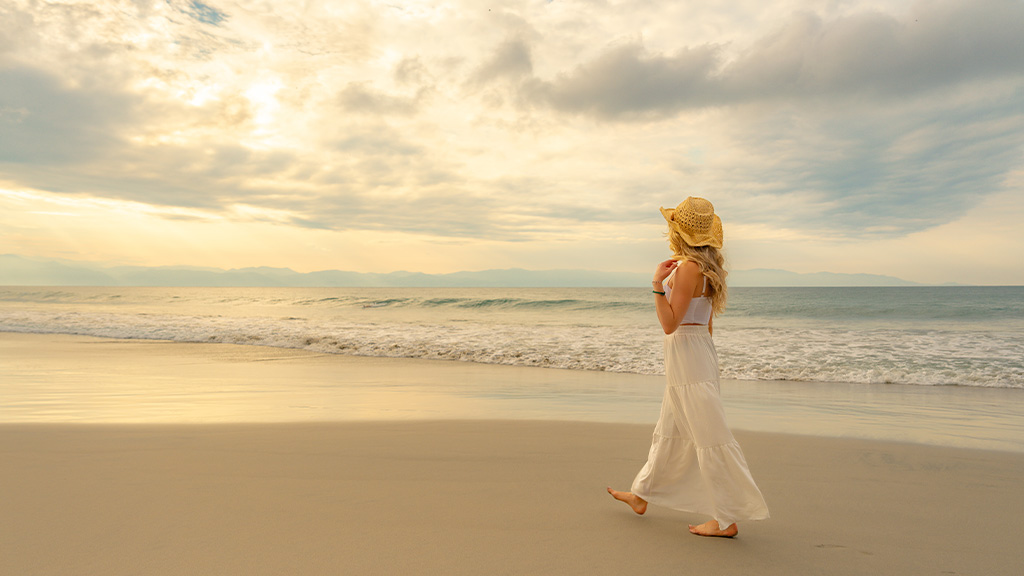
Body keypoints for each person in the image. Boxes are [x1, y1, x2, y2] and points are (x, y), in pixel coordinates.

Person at [607, 196, 769, 538]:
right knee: (672, 428)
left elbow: (670, 324)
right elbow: (705, 324)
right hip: (695, 353)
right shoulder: (709, 270)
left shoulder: (689, 269)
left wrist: (655, 285)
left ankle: (727, 519)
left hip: (687, 354)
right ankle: (641, 495)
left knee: (710, 436)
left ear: (679, 231)